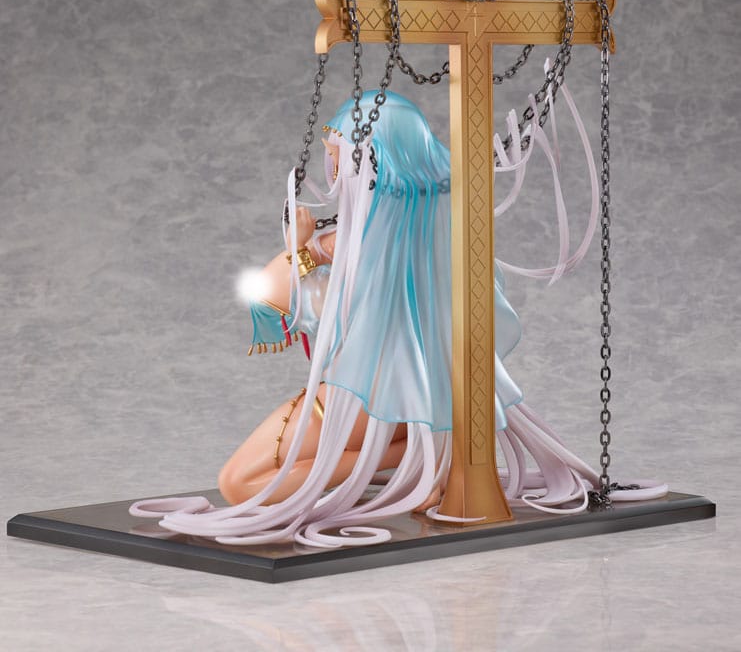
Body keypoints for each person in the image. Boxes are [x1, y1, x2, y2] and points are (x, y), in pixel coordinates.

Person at [130, 89, 666, 546]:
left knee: (238, 482)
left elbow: (268, 301)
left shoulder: (349, 242)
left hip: (351, 401)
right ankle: (418, 455)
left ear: (366, 161)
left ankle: (406, 459)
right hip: (405, 401)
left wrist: (297, 246)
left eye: (335, 156)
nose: (330, 169)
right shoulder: (432, 234)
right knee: (251, 479)